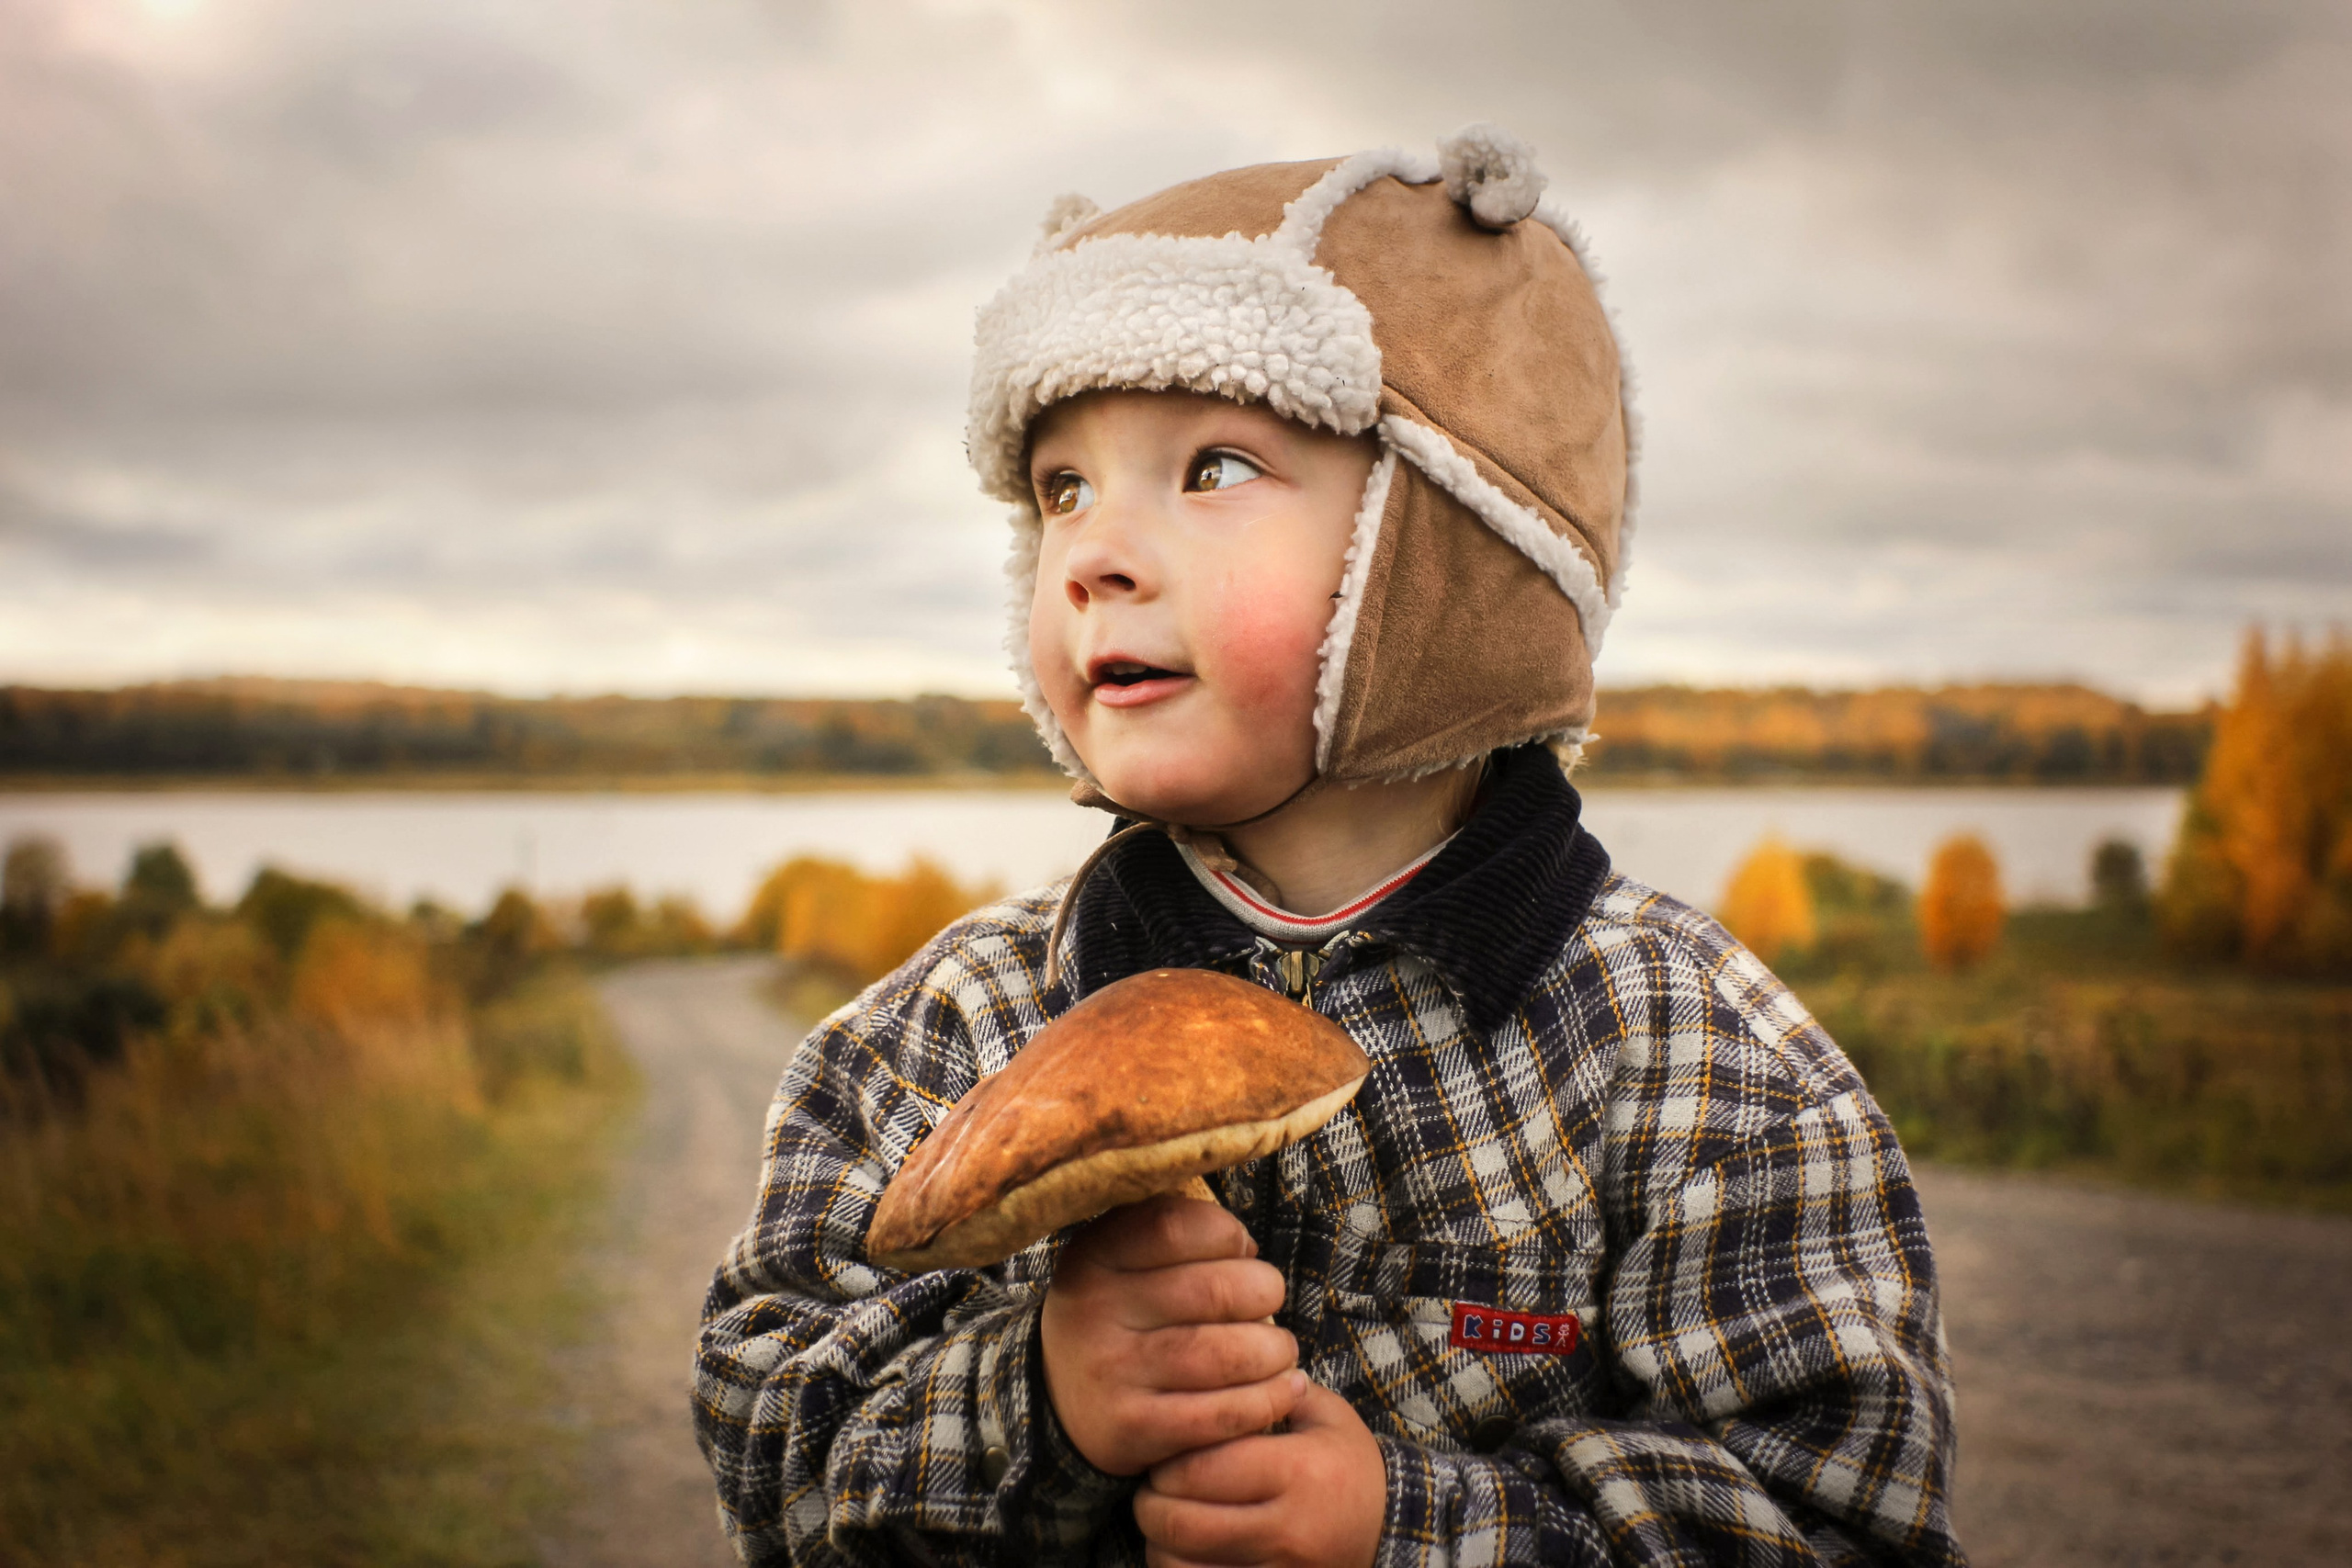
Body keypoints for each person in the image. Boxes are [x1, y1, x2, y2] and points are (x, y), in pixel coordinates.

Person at [695, 127, 1963, 1568]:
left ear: (1448, 548)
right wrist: (1036, 1397)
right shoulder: (944, 1037)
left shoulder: (1702, 1067)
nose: (1094, 551)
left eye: (1216, 466)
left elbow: (1845, 1519)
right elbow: (767, 1446)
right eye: (1059, 487)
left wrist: (1409, 1528)